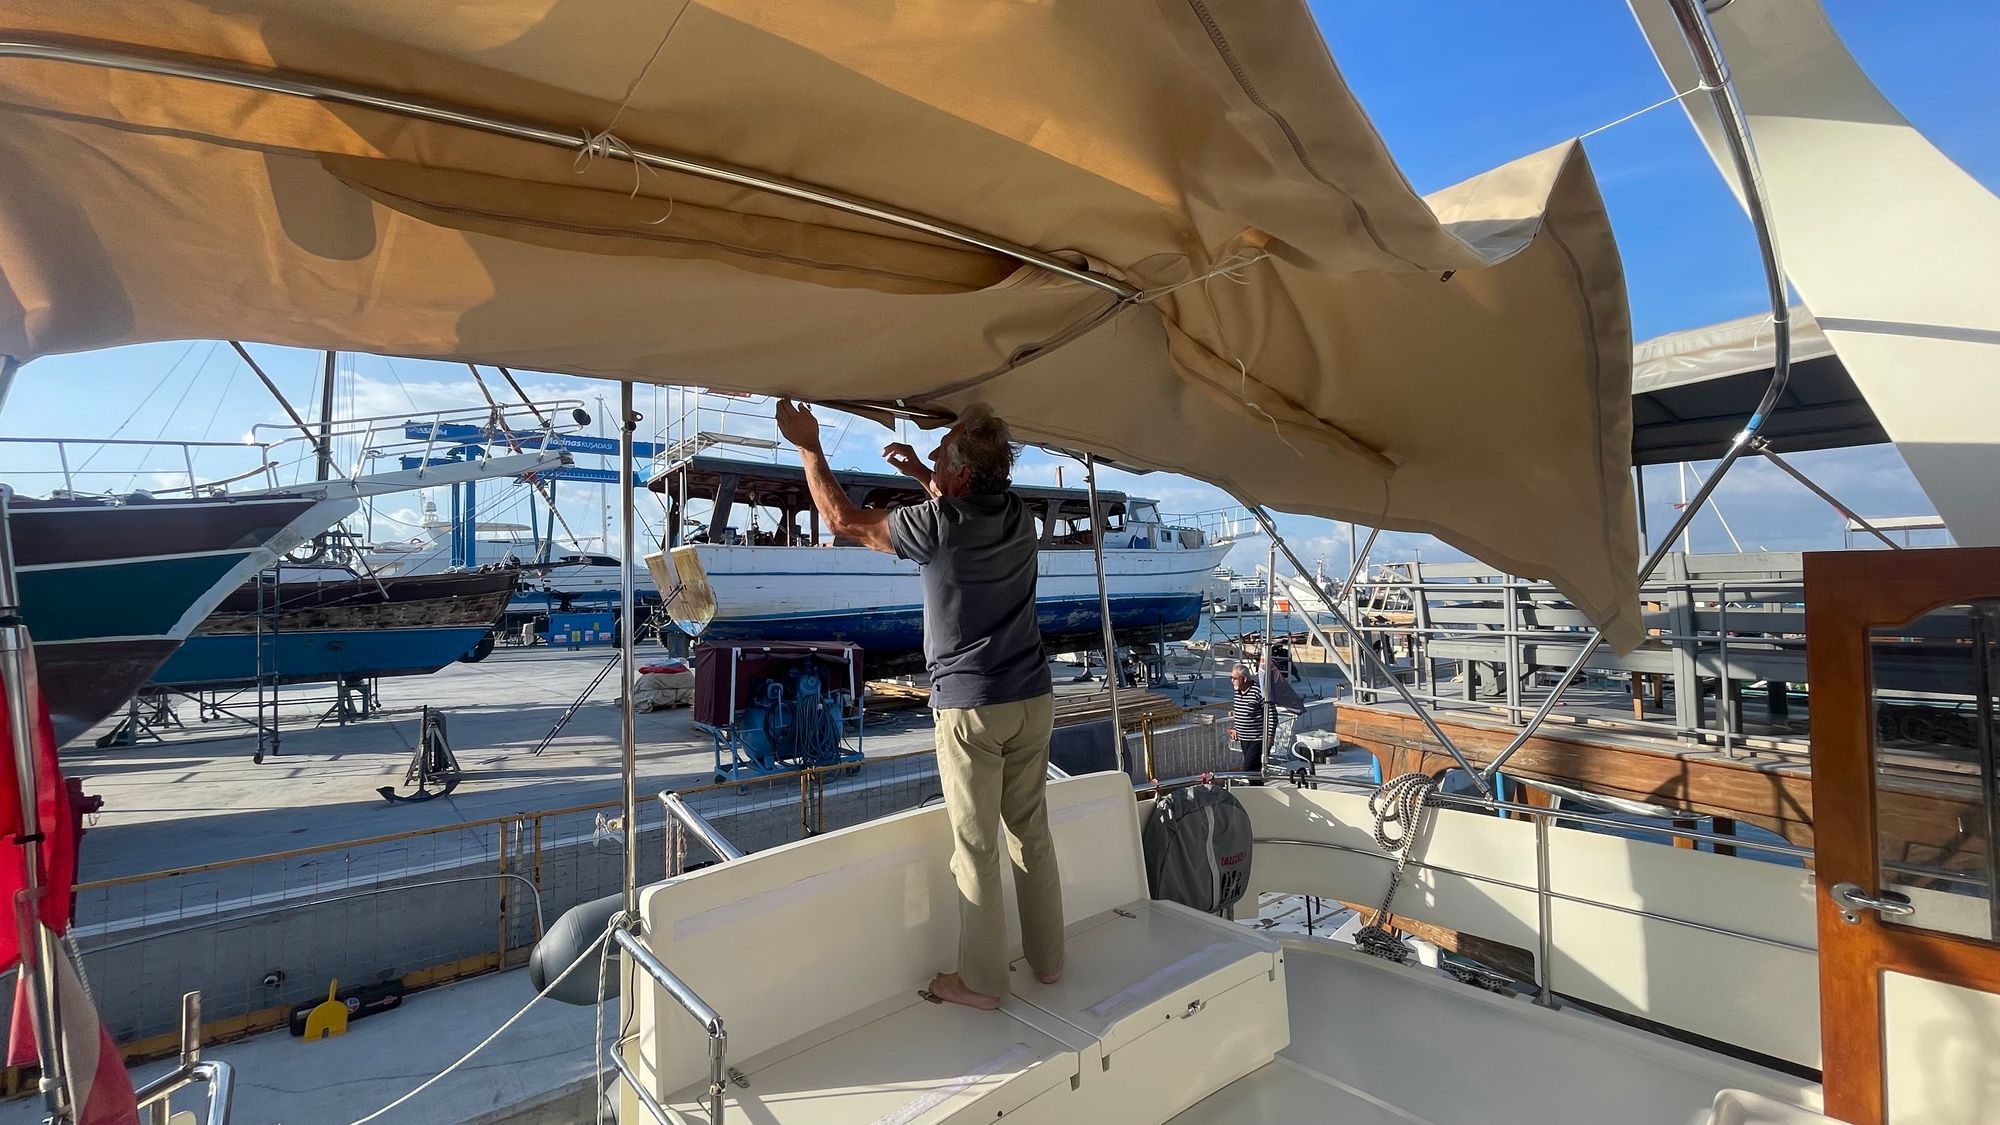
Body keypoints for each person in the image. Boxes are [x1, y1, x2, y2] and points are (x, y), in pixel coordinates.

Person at [773, 398, 1062, 1011]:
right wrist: (920, 475)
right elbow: (962, 500)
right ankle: (1049, 962)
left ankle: (982, 984)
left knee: (977, 846)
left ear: (961, 474)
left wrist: (809, 445)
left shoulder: (936, 526)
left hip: (972, 707)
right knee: (1031, 833)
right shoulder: (1018, 514)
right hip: (1032, 698)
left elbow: (842, 521)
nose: (931, 453)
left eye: (941, 452)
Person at [1228, 663, 1267, 781]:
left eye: (1234, 678)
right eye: (1231, 678)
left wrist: (1269, 738)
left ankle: (1254, 788)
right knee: (1254, 772)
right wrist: (1236, 728)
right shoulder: (1237, 692)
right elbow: (1239, 713)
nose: (1232, 681)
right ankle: (1256, 789)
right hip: (1244, 738)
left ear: (1244, 679)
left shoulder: (1258, 692)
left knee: (1248, 768)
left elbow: (1271, 715)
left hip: (1257, 739)